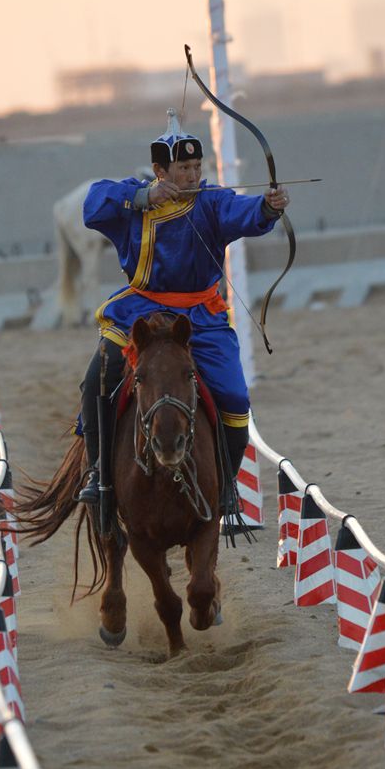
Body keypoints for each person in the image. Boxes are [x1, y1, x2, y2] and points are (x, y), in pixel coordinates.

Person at [77, 109, 290, 505]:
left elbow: (243, 213)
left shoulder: (212, 203)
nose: (193, 176)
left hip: (200, 314)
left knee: (235, 398)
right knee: (98, 379)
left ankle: (224, 487)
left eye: (197, 166)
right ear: (161, 170)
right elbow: (92, 204)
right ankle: (99, 474)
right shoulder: (134, 199)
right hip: (140, 309)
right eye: (183, 168)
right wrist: (142, 197)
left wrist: (268, 208)